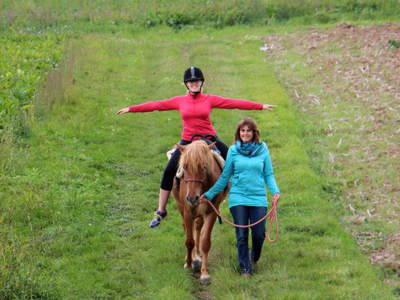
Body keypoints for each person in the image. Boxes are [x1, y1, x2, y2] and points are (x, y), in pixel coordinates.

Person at [117, 67, 277, 228]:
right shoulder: (179, 101)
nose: (194, 84)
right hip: (187, 141)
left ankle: (239, 200)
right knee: (168, 172)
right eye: (191, 82)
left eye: (197, 81)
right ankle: (160, 211)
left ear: (201, 82)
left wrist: (260, 106)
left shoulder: (209, 99)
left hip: (209, 139)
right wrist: (131, 108)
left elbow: (234, 103)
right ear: (186, 84)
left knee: (234, 163)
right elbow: (157, 105)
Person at [200, 117, 280, 276]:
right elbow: (225, 177)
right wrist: (209, 194)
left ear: (254, 132)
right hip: (238, 198)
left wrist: (275, 191)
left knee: (259, 234)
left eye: (248, 131)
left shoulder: (263, 149)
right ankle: (245, 268)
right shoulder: (233, 151)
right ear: (239, 133)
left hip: (258, 198)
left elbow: (268, 174)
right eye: (242, 131)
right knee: (242, 236)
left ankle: (254, 258)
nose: (245, 133)